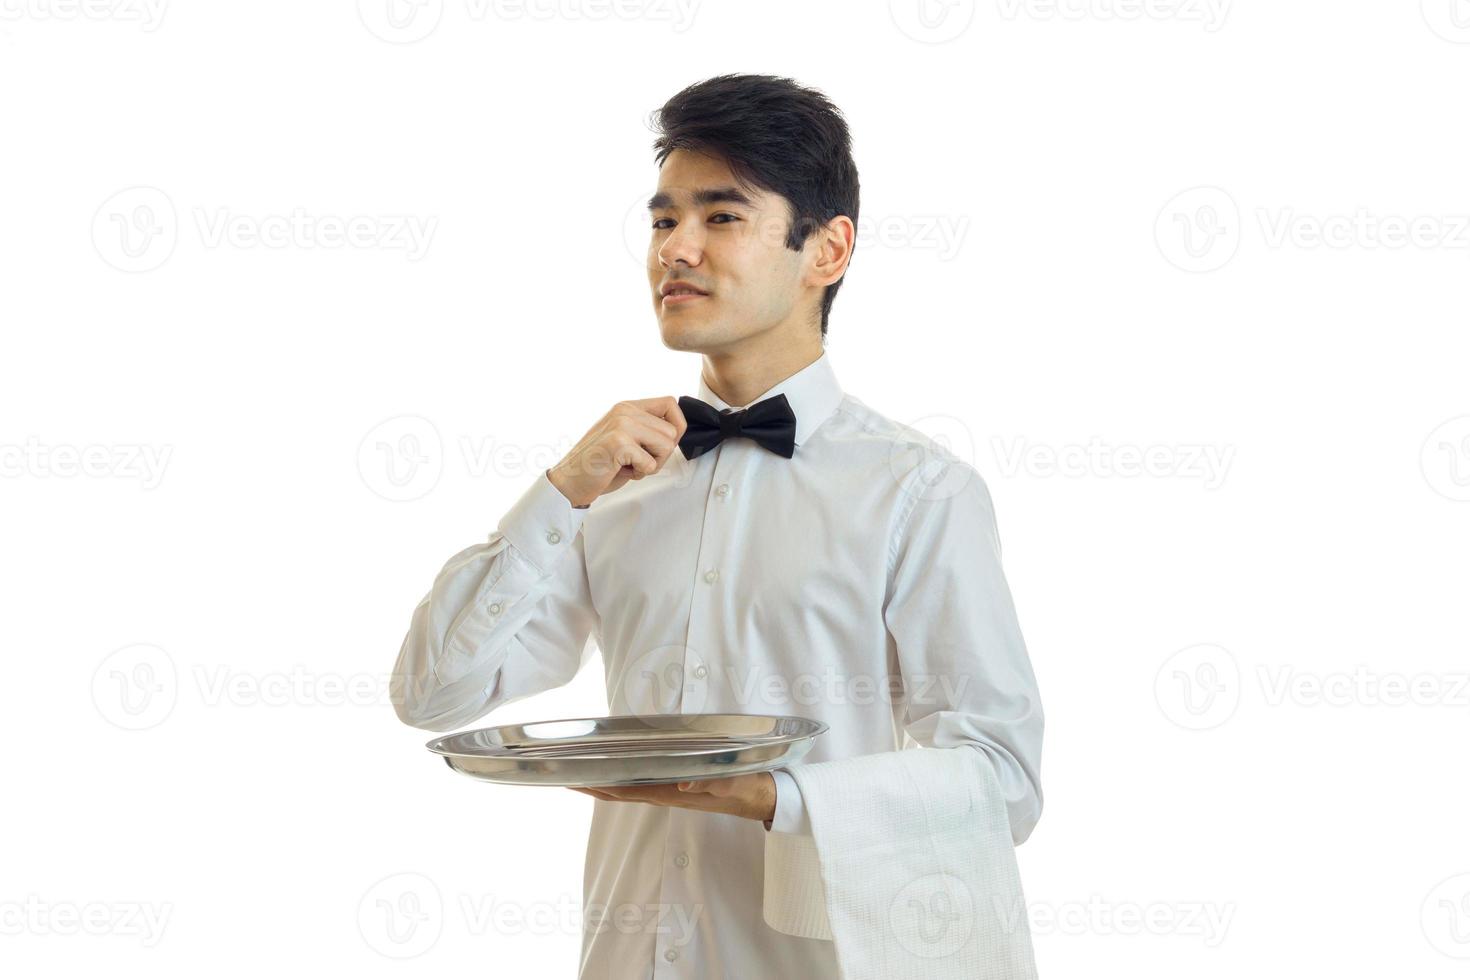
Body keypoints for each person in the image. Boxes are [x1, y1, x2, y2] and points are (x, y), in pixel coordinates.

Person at [391, 72, 1043, 979]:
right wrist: (557, 494)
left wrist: (780, 797)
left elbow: (1001, 781)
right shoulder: (613, 484)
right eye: (663, 221)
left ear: (828, 249)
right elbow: (433, 695)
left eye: (721, 217)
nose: (676, 250)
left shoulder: (918, 492)